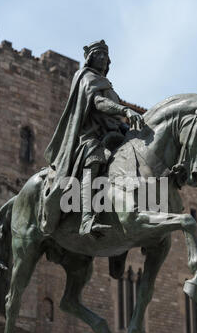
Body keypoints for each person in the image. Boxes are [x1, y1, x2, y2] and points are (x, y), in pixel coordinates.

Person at [41, 40, 144, 237]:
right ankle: (87, 219)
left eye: (106, 55)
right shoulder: (86, 77)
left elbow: (112, 118)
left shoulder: (108, 85)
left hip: (111, 134)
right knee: (94, 158)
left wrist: (126, 126)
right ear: (90, 58)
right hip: (90, 137)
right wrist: (125, 111)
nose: (104, 59)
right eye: (99, 55)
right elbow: (98, 103)